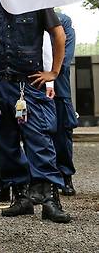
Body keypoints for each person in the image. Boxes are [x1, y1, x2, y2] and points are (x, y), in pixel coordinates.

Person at [0, 0, 70, 224]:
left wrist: (54, 73)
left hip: (31, 83)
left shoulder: (36, 1)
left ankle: (50, 199)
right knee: (5, 142)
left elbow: (58, 34)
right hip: (1, 85)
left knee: (39, 139)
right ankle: (20, 197)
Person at [52, 12, 77, 195]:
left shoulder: (63, 20)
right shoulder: (25, 17)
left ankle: (65, 176)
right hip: (32, 86)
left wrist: (49, 72)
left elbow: (65, 59)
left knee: (63, 134)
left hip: (60, 89)